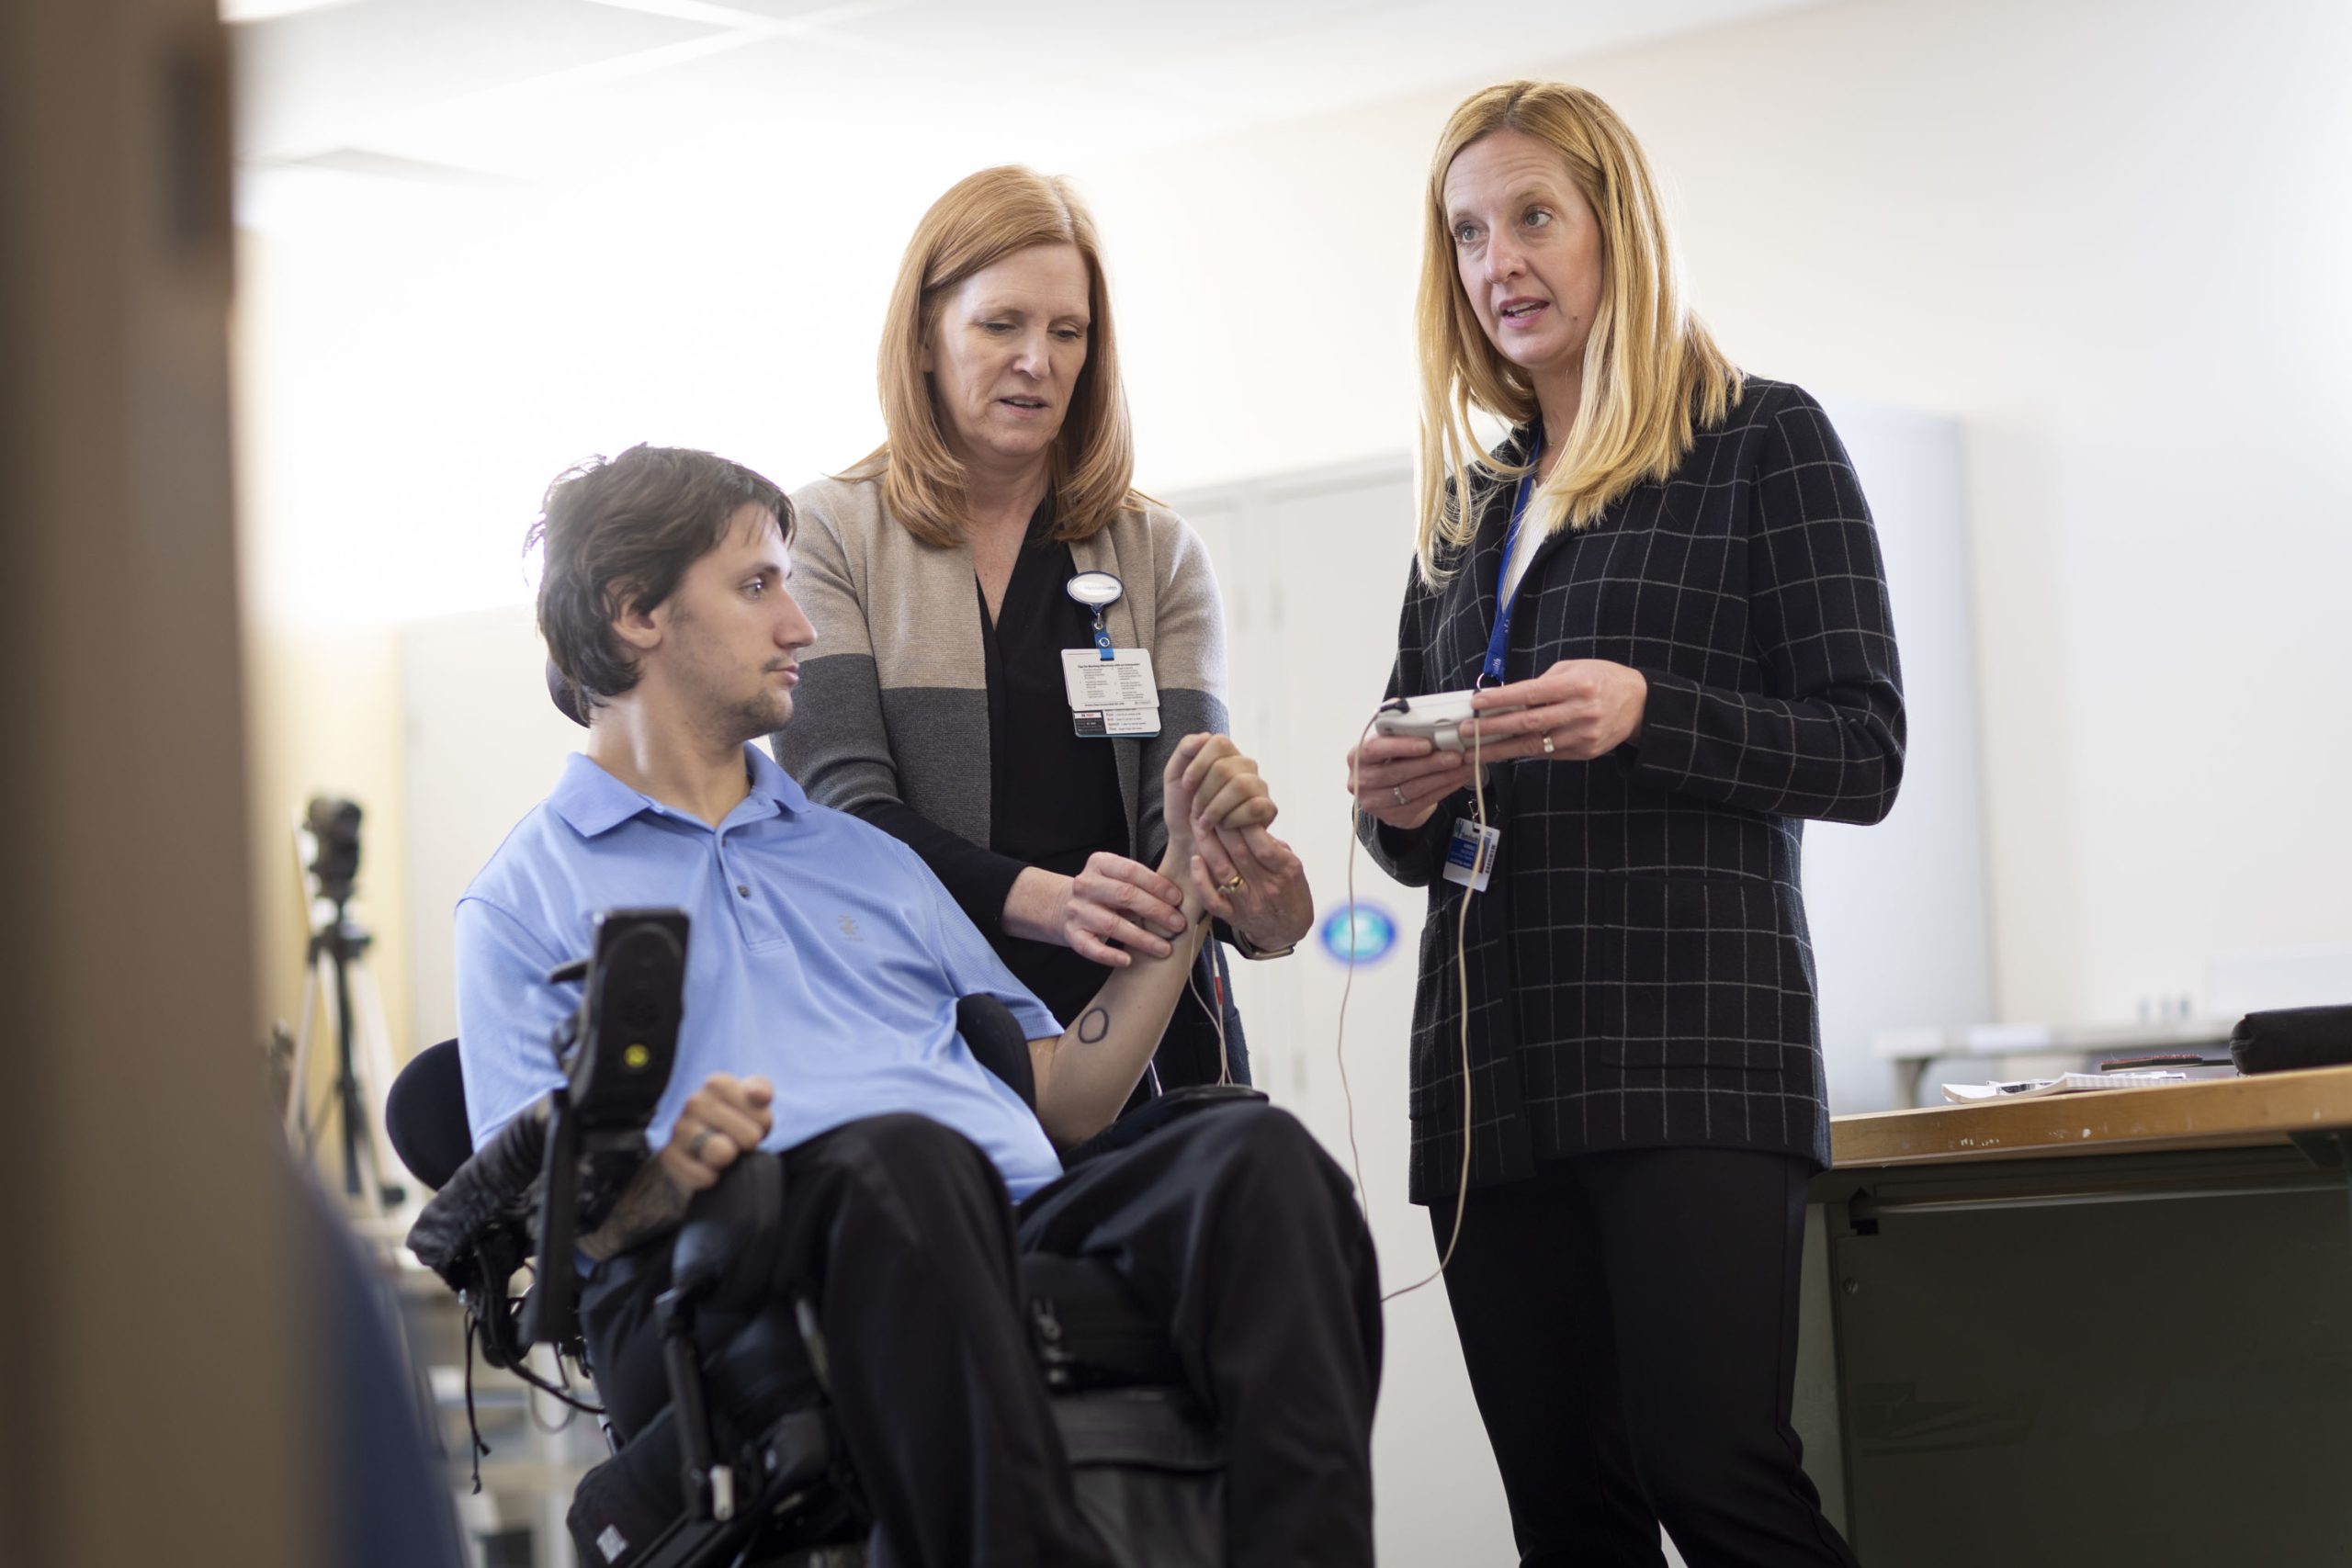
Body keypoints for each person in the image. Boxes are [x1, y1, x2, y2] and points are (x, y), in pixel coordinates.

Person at [458, 445, 1380, 1568]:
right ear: (635, 612)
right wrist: (668, 1172)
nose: (799, 626)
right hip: (737, 1256)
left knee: (1259, 1159)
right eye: (758, 587)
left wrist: (1186, 883)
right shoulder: (523, 901)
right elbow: (565, 1232)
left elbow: (1067, 1100)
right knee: (902, 1159)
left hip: (1003, 1216)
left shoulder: (865, 859)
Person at [1347, 81, 1902, 1567]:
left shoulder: (1760, 445)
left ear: (1618, 234)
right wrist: (1398, 800)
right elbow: (1420, 833)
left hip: (1689, 1059)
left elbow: (1865, 750)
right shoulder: (1467, 505)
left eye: (1534, 217)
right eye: (1468, 233)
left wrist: (1647, 709)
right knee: (1567, 1515)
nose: (1499, 261)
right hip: (1488, 1077)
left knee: (1716, 1476)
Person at [775, 166, 1312, 1102]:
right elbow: (842, 816)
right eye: (1001, 325)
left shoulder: (1156, 552)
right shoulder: (828, 534)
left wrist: (1252, 893)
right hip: (931, 1039)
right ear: (927, 338)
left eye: (1068, 333)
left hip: (1150, 1030)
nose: (1039, 360)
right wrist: (1052, 905)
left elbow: (1175, 830)